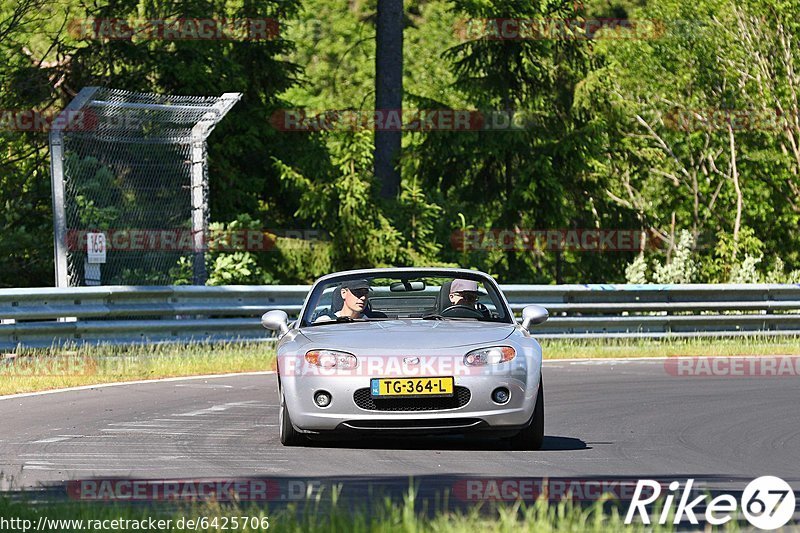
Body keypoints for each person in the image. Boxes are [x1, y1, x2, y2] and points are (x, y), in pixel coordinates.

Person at [314, 279, 386, 322]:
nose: (363, 297)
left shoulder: (373, 321)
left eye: (365, 292)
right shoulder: (325, 321)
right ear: (343, 293)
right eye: (357, 292)